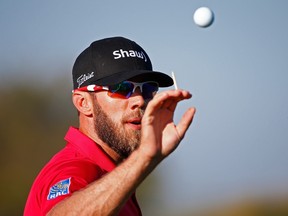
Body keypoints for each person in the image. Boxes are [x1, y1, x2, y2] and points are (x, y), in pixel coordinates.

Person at [24, 36, 196, 216]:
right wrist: (143, 158)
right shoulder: (74, 169)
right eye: (121, 88)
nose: (139, 100)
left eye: (147, 88)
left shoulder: (117, 174)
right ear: (83, 103)